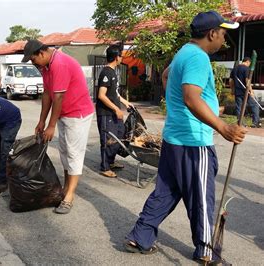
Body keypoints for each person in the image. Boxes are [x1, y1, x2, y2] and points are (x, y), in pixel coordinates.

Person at [125, 11, 247, 263]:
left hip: (175, 139)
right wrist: (223, 127)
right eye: (223, 34)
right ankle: (205, 251)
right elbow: (191, 98)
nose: (224, 40)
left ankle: (141, 235)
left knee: (166, 192)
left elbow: (167, 75)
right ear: (212, 33)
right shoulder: (198, 58)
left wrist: (180, 105)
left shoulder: (184, 52)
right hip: (194, 143)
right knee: (201, 198)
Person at [21, 39, 95, 214]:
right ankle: (65, 188)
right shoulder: (45, 67)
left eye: (32, 59)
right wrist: (42, 121)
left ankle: (69, 195)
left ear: (41, 53)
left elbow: (59, 97)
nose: (33, 63)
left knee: (74, 153)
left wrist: (51, 126)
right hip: (64, 114)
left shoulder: (59, 64)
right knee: (65, 152)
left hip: (78, 114)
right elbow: (47, 94)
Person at [96, 44, 133, 178]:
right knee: (108, 140)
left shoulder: (113, 72)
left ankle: (111, 162)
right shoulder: (106, 72)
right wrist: (116, 109)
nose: (122, 58)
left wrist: (126, 103)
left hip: (113, 112)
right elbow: (101, 95)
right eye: (121, 55)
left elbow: (115, 93)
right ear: (116, 57)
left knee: (118, 136)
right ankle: (105, 167)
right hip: (106, 113)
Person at [229, 57, 261, 128]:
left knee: (239, 108)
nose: (249, 65)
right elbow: (247, 81)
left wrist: (232, 89)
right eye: (249, 64)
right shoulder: (246, 69)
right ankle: (255, 122)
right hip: (246, 92)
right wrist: (251, 91)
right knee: (254, 105)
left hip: (237, 91)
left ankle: (241, 123)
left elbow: (230, 81)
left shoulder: (234, 69)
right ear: (247, 62)